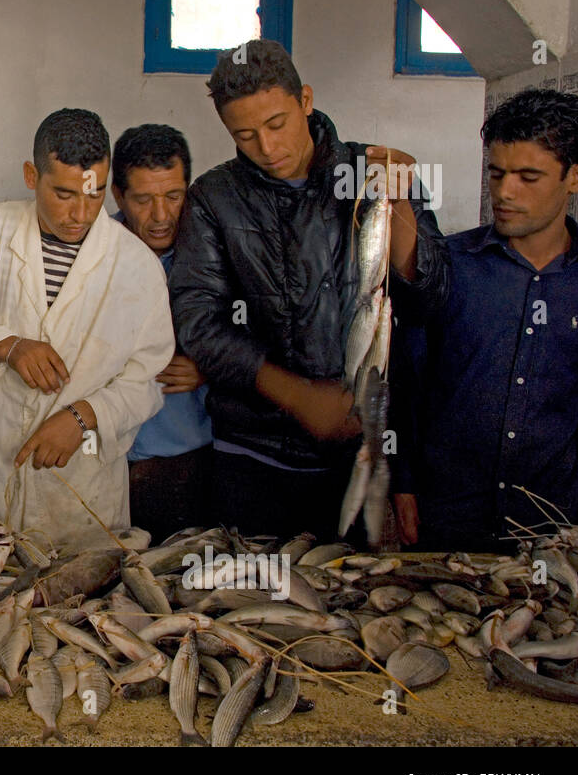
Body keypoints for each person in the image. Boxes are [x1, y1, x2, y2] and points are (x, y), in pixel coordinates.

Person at [167, 40, 448, 540]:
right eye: (245, 135)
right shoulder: (214, 198)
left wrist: (399, 199)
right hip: (251, 454)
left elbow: (428, 302)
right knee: (247, 604)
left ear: (306, 101)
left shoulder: (370, 173)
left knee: (353, 602)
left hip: (359, 450)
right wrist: (297, 395)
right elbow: (199, 325)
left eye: (277, 125)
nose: (267, 148)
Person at [0, 109, 174, 540]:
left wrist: (83, 417)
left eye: (94, 196)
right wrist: (8, 345)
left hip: (84, 486)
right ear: (30, 175)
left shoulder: (138, 266)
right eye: (63, 193)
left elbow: (147, 383)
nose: (80, 213)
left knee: (79, 600)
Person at [398, 89, 578, 550]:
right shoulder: (451, 264)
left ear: (577, 178)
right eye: (497, 173)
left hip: (549, 527)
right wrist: (401, 482)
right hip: (443, 521)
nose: (504, 192)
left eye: (529, 177)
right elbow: (406, 384)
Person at [110, 124, 213, 535]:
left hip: (190, 455)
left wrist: (210, 367)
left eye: (174, 196)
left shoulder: (213, 253)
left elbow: (260, 336)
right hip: (110, 457)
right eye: (143, 199)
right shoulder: (96, 256)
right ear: (118, 196)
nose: (161, 216)